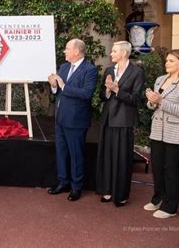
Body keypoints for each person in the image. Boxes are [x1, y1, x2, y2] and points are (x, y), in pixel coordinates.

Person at [144, 49, 179, 219]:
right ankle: (158, 198)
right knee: (158, 168)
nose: (166, 63)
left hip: (175, 131)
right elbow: (152, 106)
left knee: (170, 170)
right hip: (157, 131)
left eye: (171, 61)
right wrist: (152, 102)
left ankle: (170, 207)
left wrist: (160, 101)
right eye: (166, 60)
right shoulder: (160, 80)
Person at [47, 38, 98, 201]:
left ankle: (76, 187)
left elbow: (86, 94)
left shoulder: (89, 70)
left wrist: (63, 86)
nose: (64, 51)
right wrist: (54, 86)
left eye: (67, 48)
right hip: (60, 118)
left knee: (76, 154)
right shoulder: (63, 66)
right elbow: (58, 92)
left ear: (76, 51)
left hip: (76, 120)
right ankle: (63, 182)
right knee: (61, 153)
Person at [95, 41, 145, 207]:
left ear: (124, 53)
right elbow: (102, 96)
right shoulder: (110, 70)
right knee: (106, 156)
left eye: (114, 51)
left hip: (124, 121)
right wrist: (108, 90)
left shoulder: (137, 71)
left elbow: (136, 99)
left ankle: (121, 195)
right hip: (108, 119)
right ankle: (107, 190)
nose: (111, 54)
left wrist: (117, 91)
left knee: (122, 158)